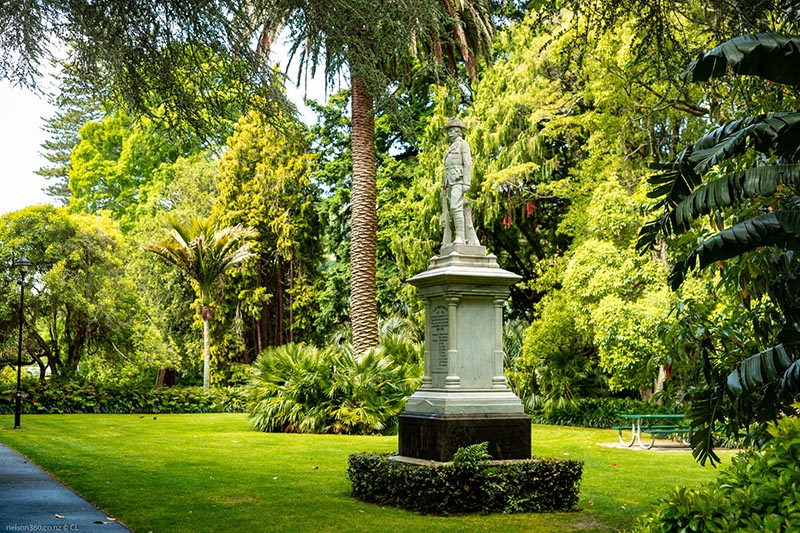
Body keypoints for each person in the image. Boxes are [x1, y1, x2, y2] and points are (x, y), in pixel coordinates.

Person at [441, 117, 480, 247]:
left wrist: (466, 183)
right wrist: (444, 184)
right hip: (450, 182)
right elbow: (447, 167)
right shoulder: (450, 147)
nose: (449, 133)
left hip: (459, 180)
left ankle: (460, 237)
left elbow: (468, 164)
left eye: (451, 130)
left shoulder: (463, 145)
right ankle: (459, 237)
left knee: (455, 207)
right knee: (454, 209)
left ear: (458, 131)